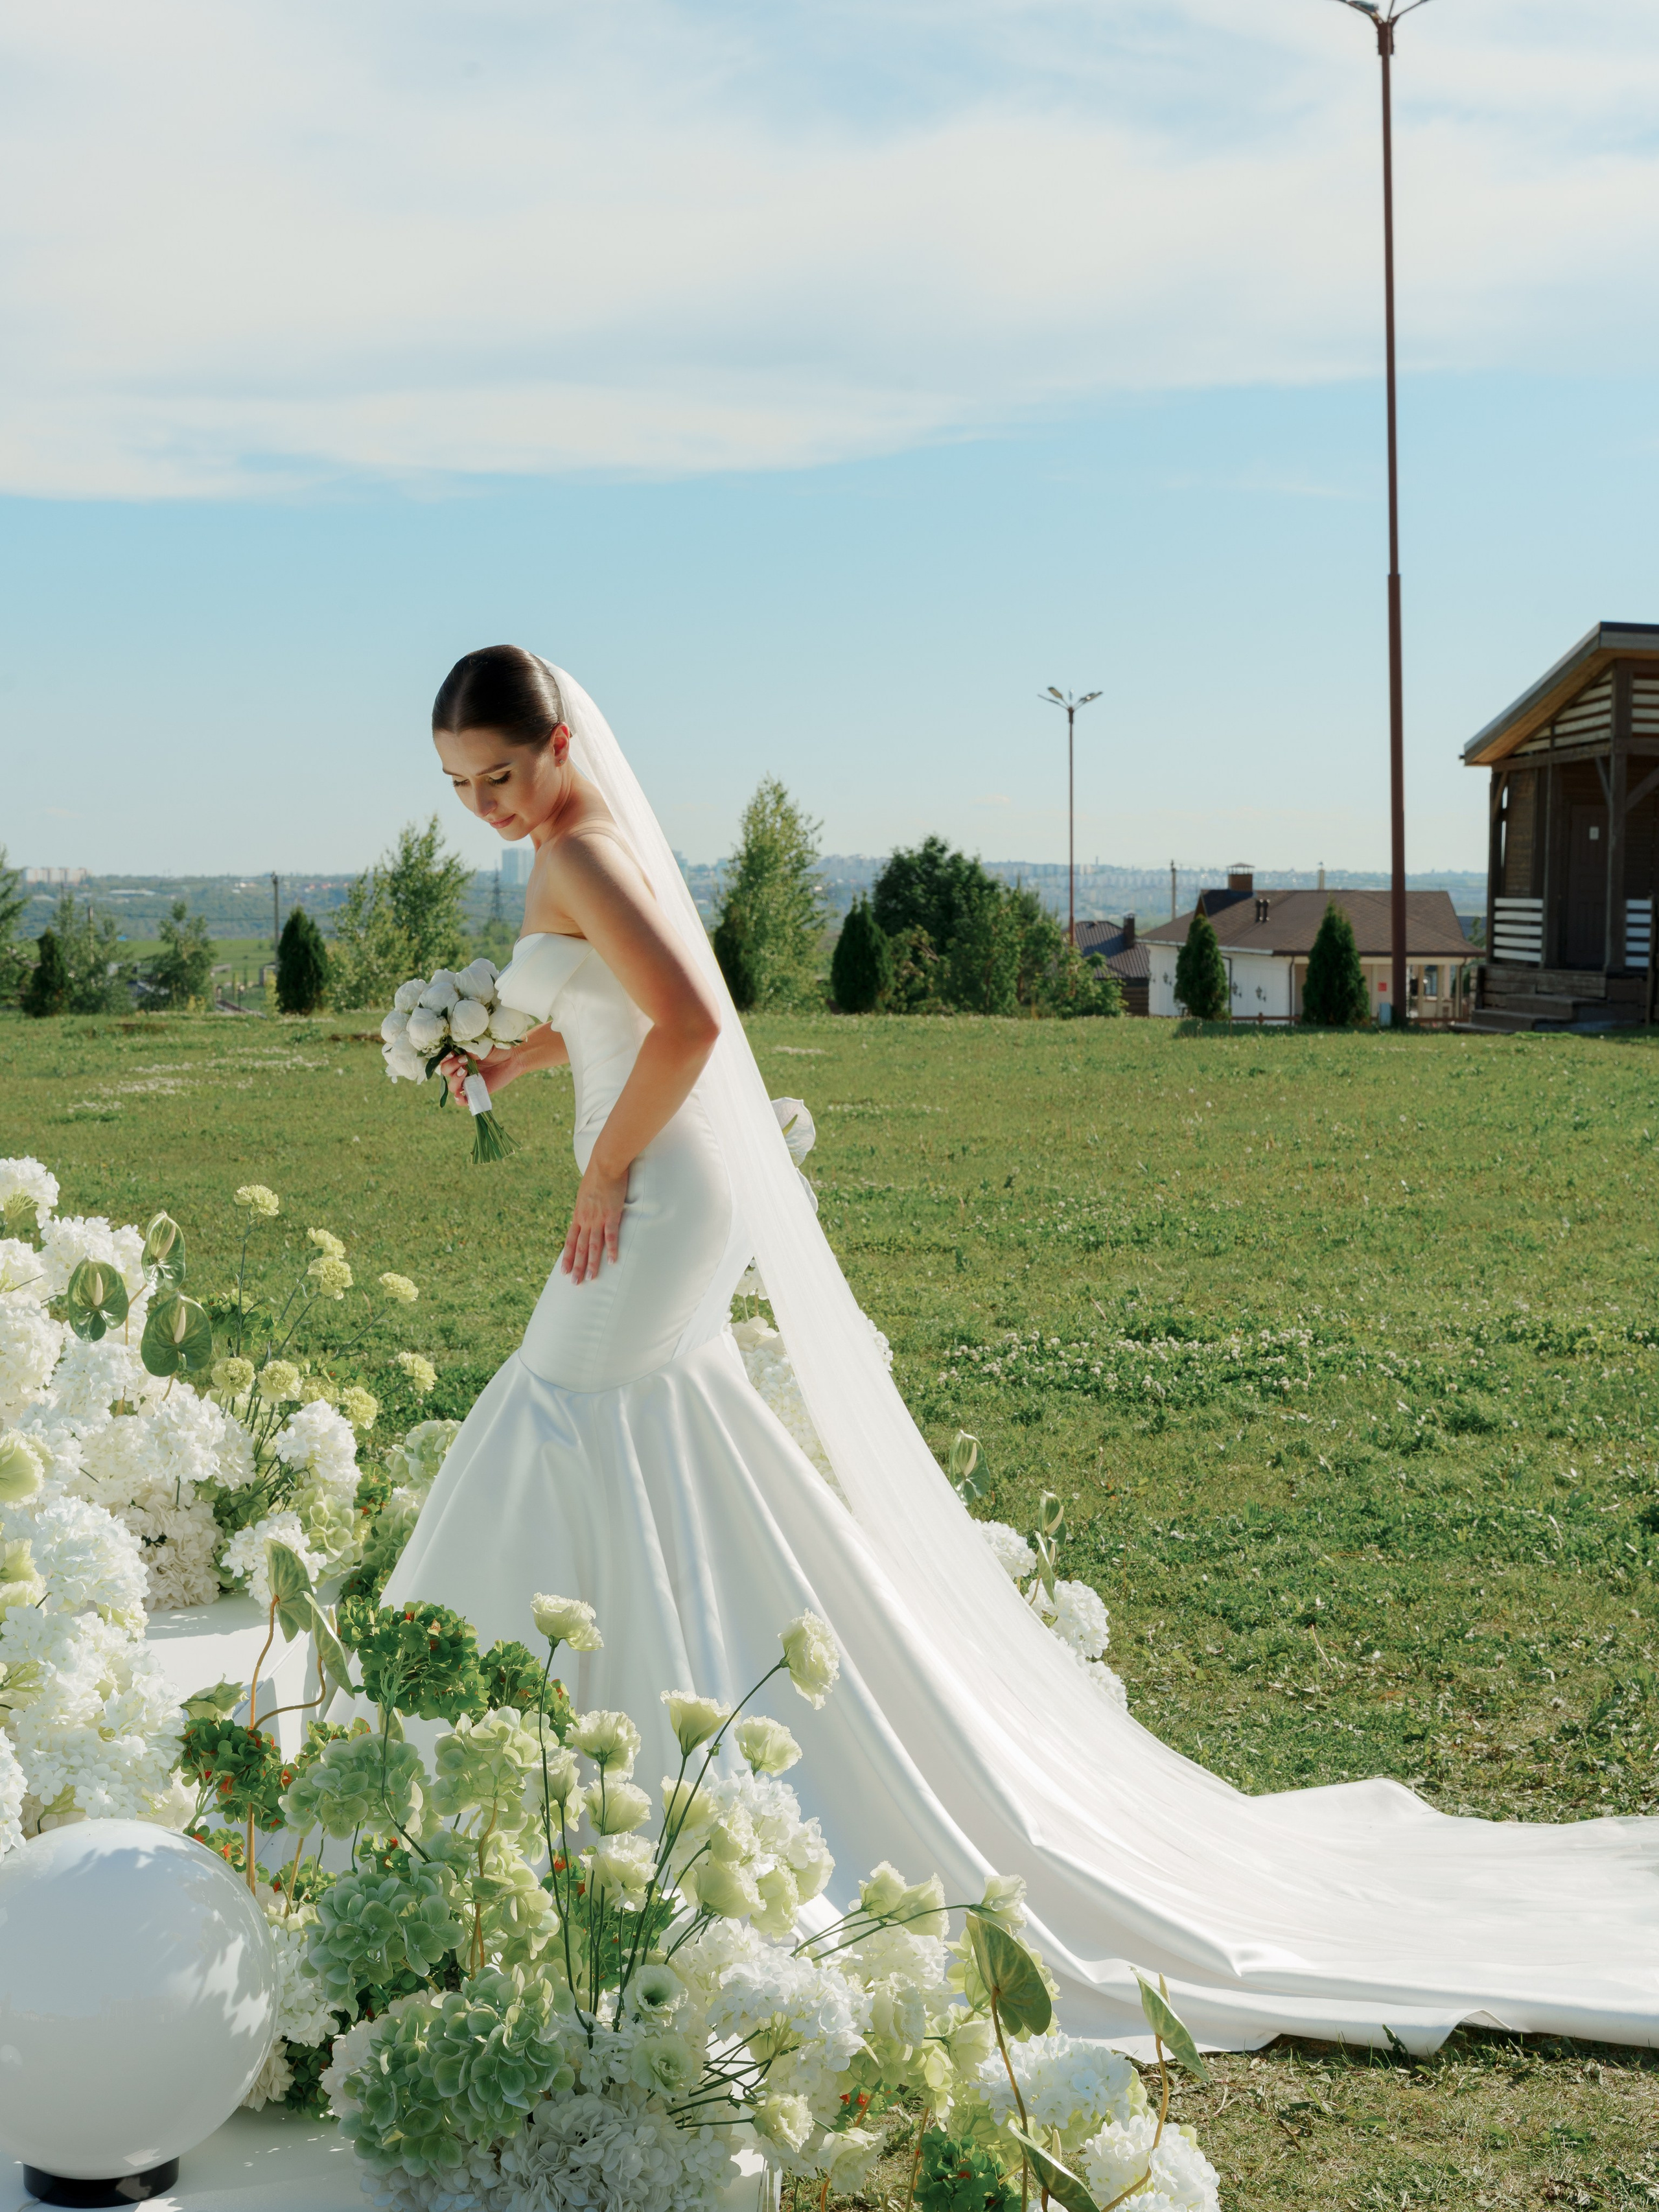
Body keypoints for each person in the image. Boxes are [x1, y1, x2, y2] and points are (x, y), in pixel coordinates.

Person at [393, 644, 1659, 2055]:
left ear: (560, 741)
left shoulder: (576, 845)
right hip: (656, 1172)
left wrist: (600, 1171)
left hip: (653, 1186)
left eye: (501, 773)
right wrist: (521, 1055)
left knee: (561, 1409)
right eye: (461, 787)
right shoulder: (574, 844)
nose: (489, 805)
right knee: (649, 1433)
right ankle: (673, 1725)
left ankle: (581, 1750)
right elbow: (623, 1006)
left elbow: (693, 1025)